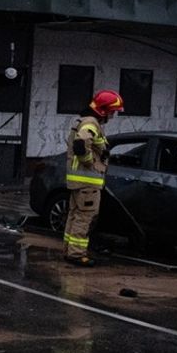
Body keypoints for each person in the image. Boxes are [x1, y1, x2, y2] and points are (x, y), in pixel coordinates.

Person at [63, 89, 124, 266]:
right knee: (85, 217)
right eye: (112, 111)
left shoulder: (85, 121)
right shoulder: (91, 123)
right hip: (87, 183)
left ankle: (69, 250)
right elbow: (81, 144)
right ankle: (76, 254)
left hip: (78, 182)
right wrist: (90, 162)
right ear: (104, 110)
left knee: (75, 216)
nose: (113, 115)